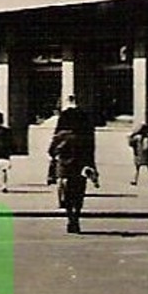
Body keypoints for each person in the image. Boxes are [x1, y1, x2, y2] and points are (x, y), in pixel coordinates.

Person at [49, 95, 97, 233]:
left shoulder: (61, 135)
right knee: (79, 194)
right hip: (80, 167)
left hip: (64, 167)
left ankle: (70, 218)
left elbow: (51, 151)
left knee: (67, 194)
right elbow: (90, 154)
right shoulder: (85, 137)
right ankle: (76, 217)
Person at [127, 120, 148, 185]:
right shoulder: (147, 137)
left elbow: (131, 144)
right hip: (146, 154)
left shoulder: (137, 137)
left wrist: (130, 136)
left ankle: (134, 180)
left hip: (138, 154)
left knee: (137, 168)